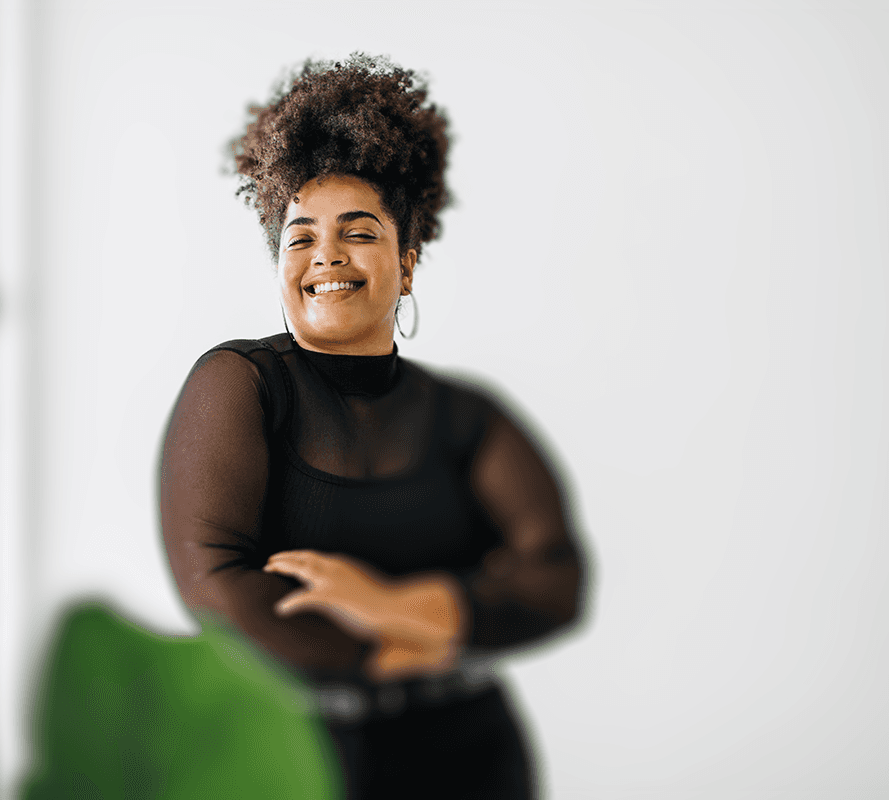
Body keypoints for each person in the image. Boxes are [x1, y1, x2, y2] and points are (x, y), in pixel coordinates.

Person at [159, 54, 586, 799]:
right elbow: (217, 590)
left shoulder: (465, 417)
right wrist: (400, 650)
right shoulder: (241, 387)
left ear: (408, 262)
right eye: (300, 236)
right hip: (298, 761)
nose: (326, 254)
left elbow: (556, 580)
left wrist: (386, 605)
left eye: (358, 231)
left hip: (473, 757)